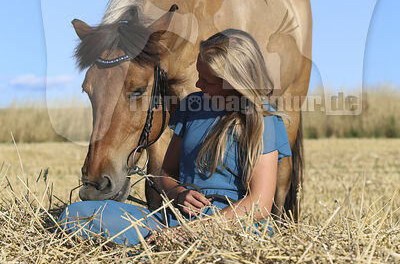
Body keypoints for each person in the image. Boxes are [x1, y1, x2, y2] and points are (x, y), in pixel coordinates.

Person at [58, 29, 291, 245]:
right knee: (76, 215)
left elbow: (259, 204)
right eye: (199, 75)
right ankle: (153, 247)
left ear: (234, 83)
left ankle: (151, 250)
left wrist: (192, 231)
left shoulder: (263, 121)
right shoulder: (192, 105)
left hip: (231, 229)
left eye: (207, 81)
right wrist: (178, 194)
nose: (198, 84)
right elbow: (165, 173)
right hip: (172, 220)